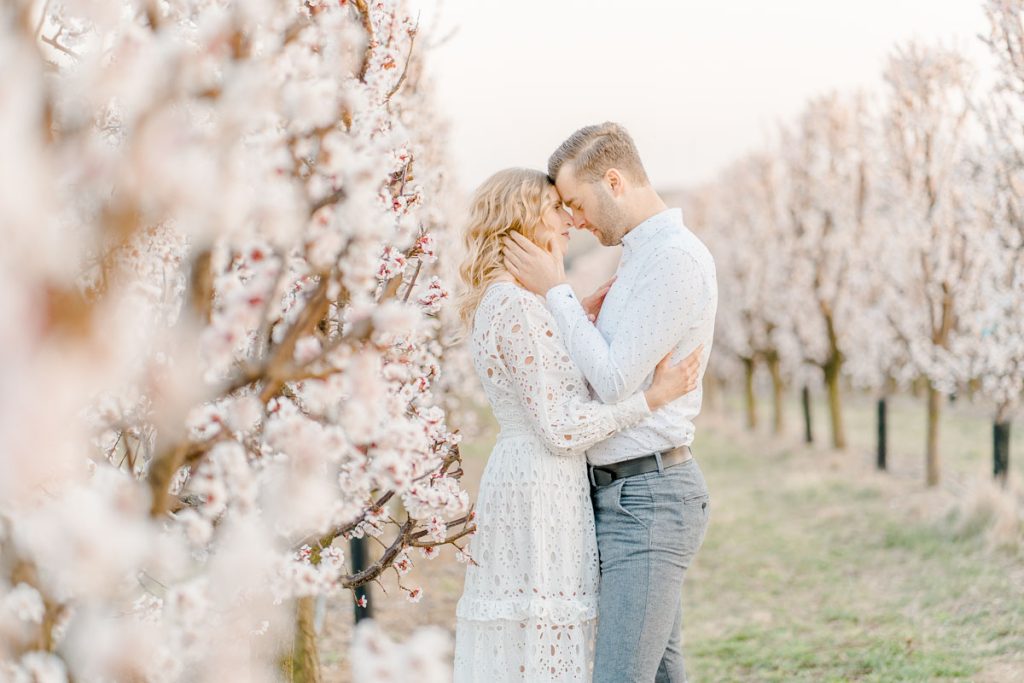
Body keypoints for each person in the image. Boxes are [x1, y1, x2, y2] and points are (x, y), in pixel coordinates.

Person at [452, 167, 702, 682]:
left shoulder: (511, 302)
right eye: (555, 209)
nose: (568, 221)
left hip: (536, 478)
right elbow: (559, 426)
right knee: (546, 641)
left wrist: (572, 317)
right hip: (542, 483)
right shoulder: (517, 306)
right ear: (524, 220)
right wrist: (650, 400)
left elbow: (546, 382)